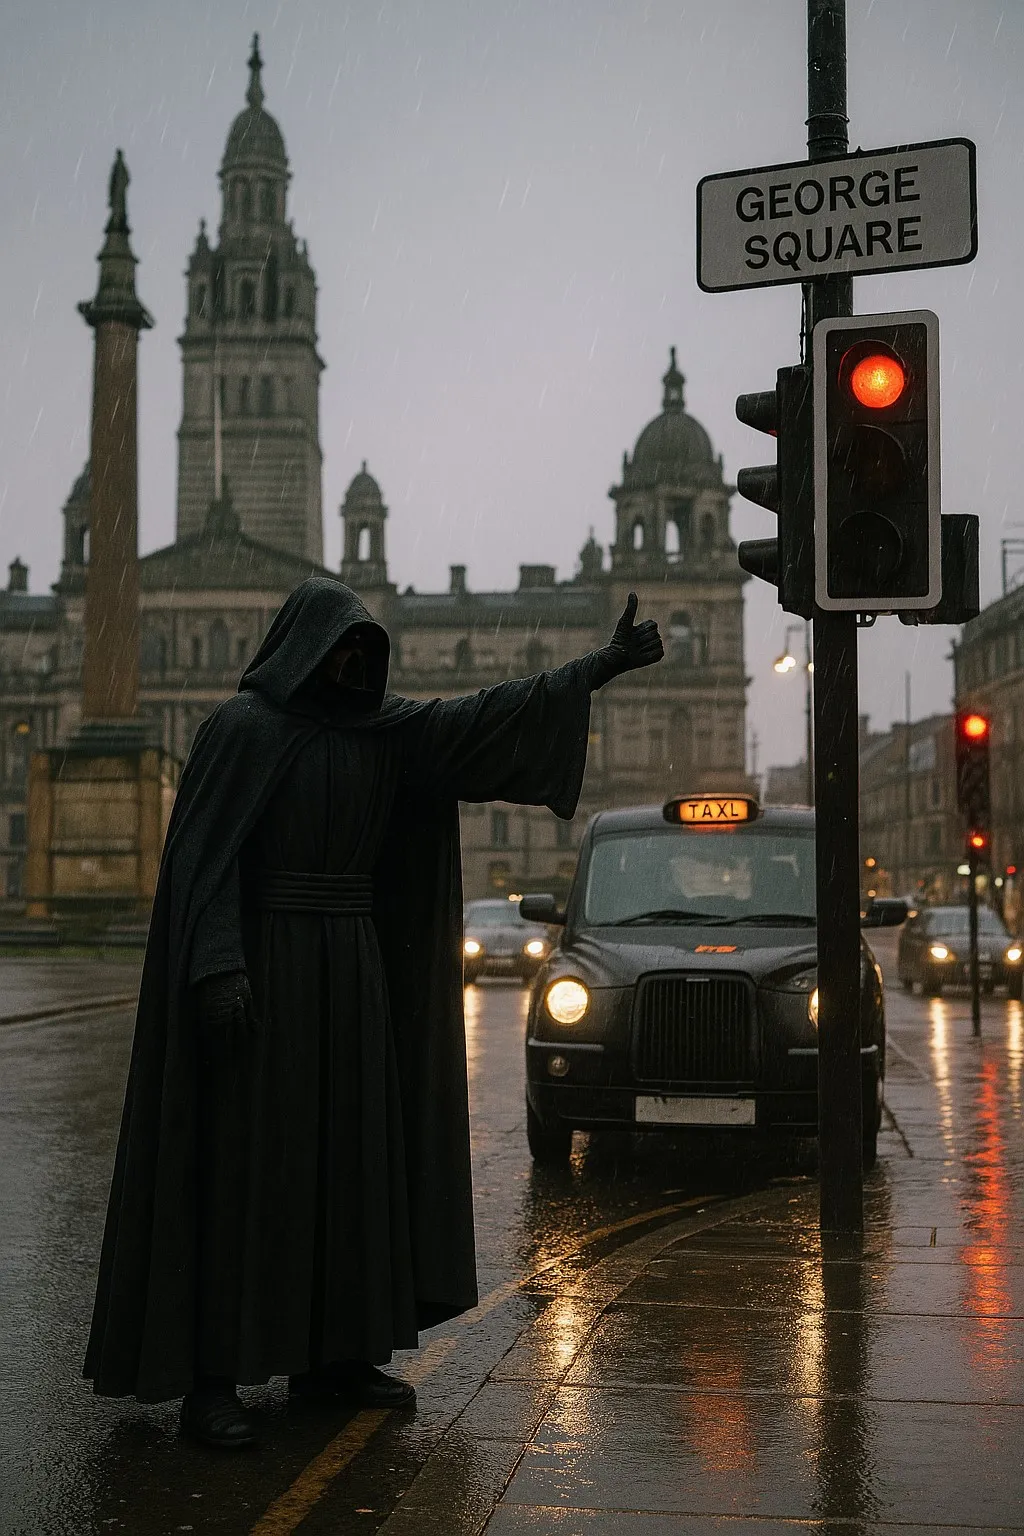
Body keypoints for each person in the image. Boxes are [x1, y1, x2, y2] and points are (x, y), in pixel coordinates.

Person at [84, 577, 662, 1448]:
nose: (353, 665)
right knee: (248, 1170)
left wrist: (600, 666)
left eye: (366, 651)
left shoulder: (389, 734)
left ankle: (337, 1357)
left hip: (353, 977)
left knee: (350, 1165)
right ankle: (214, 1378)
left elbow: (487, 717)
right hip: (267, 974)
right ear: (301, 651)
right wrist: (215, 965)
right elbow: (204, 862)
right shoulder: (241, 732)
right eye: (339, 650)